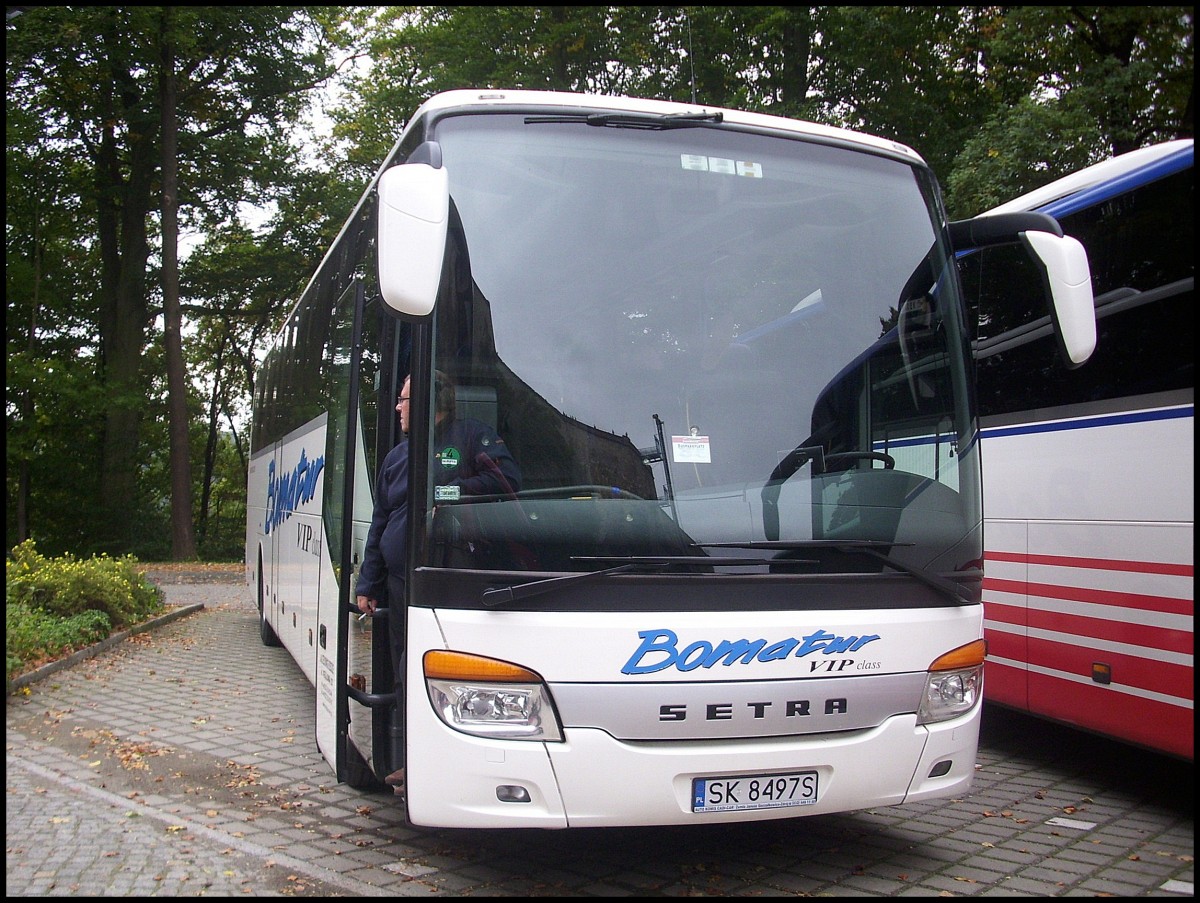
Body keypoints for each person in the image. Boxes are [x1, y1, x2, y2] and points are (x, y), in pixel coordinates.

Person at [354, 370, 521, 795]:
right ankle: (413, 761)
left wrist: (446, 493)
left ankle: (454, 761)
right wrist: (367, 583)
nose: (397, 407)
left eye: (404, 399)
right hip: (397, 580)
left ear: (431, 402)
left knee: (445, 672)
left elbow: (506, 483)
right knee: (405, 669)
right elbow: (381, 522)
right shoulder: (398, 456)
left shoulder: (470, 437)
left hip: (451, 576)